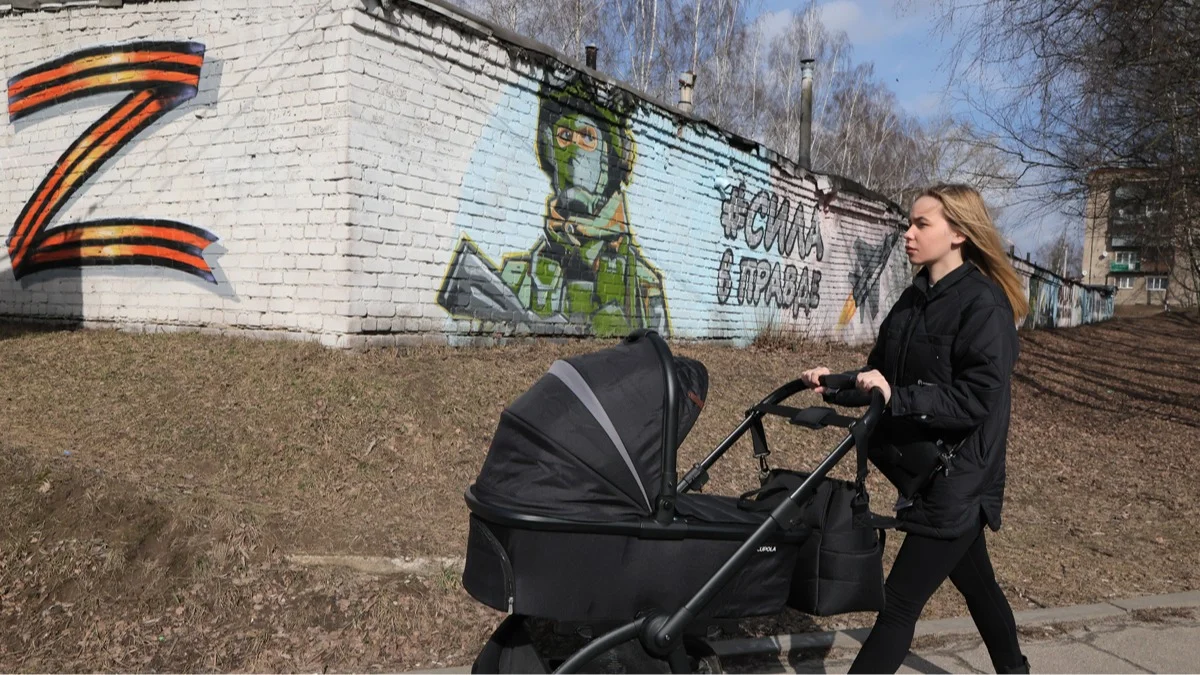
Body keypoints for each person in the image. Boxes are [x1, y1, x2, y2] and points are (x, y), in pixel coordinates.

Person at [802, 184, 1031, 674]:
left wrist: (897, 397)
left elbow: (976, 399)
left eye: (921, 224)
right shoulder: (913, 299)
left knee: (899, 603)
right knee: (979, 587)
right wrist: (834, 384)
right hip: (925, 471)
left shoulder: (984, 305)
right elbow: (881, 376)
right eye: (909, 223)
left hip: (960, 479)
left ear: (958, 234)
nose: (907, 233)